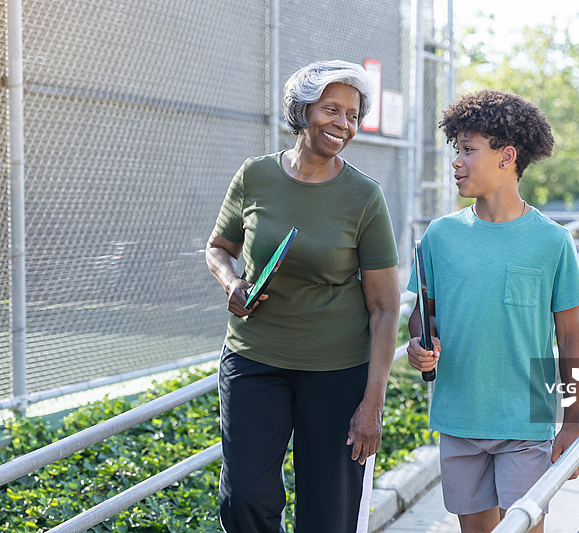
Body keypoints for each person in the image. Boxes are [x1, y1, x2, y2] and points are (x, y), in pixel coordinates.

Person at [205, 60, 400, 533]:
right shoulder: (255, 176)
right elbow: (218, 248)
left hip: (336, 370)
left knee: (328, 510)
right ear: (302, 110)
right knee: (244, 496)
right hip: (254, 361)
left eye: (352, 115)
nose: (343, 124)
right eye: (331, 109)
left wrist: (372, 401)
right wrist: (232, 285)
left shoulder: (364, 197)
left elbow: (385, 306)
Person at [406, 89, 579, 533]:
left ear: (507, 156)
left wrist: (574, 421)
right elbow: (421, 312)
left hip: (526, 421)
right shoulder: (440, 236)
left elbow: (570, 337)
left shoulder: (551, 241)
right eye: (457, 150)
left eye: (469, 150)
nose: (456, 161)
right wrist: (419, 343)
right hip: (459, 416)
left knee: (524, 528)